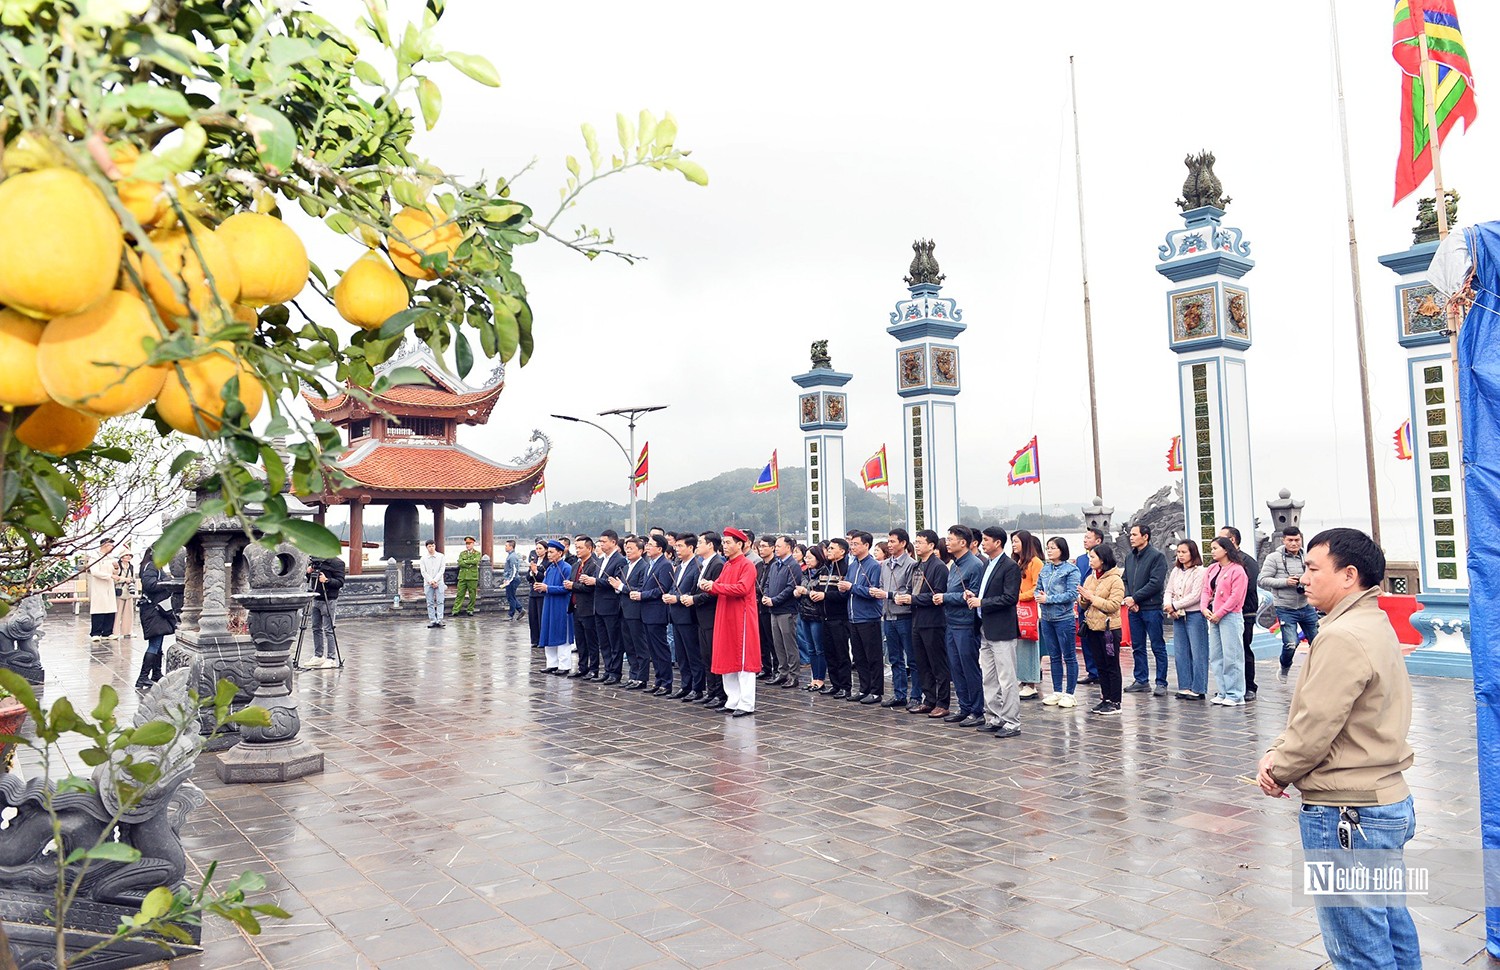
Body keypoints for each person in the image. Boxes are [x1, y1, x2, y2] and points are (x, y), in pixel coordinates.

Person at [1257, 528, 1418, 969]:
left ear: (1349, 575)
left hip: (1348, 809)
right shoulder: (1372, 621)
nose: (1303, 578)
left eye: (1312, 568)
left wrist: (1278, 767)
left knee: (1358, 947)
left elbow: (1315, 725)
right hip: (1384, 799)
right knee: (1389, 923)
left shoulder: (1342, 635)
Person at [968, 526, 1022, 738]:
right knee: (989, 677)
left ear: (998, 542)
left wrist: (982, 601)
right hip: (985, 627)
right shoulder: (986, 565)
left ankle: (1011, 721)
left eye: (986, 540)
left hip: (1001, 629)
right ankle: (995, 716)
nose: (983, 543)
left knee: (1006, 678)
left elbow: (1010, 598)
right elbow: (986, 592)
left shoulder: (1009, 566)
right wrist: (974, 596)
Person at [703, 527, 760, 717]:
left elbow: (742, 588)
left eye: (728, 542)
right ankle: (732, 700)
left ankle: (746, 703)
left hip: (740, 617)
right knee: (726, 657)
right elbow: (719, 586)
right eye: (724, 542)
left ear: (740, 544)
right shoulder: (728, 565)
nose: (724, 546)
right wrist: (708, 587)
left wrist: (715, 586)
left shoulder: (747, 565)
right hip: (725, 615)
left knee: (744, 662)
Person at [939, 526, 986, 726]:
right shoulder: (954, 564)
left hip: (966, 623)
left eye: (951, 539)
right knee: (956, 668)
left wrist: (946, 597)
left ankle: (977, 710)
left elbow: (973, 594)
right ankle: (964, 706)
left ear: (963, 542)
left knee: (969, 667)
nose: (947, 542)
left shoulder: (975, 565)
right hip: (951, 622)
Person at [1259, 526, 1320, 675]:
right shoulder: (1274, 557)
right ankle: (1285, 667)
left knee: (1318, 641)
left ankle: (1318, 671)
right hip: (1285, 607)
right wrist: (1286, 582)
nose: (1294, 543)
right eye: (1290, 540)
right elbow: (1262, 580)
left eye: (1297, 540)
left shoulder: (1307, 556)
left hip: (1306, 605)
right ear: (1283, 540)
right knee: (1291, 644)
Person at [904, 529, 950, 716]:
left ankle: (943, 703)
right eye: (916, 541)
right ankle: (928, 699)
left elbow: (937, 595)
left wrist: (912, 600)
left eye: (921, 542)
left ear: (931, 545)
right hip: (917, 620)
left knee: (938, 664)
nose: (917, 545)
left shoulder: (938, 567)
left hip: (933, 621)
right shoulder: (917, 566)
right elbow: (911, 589)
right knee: (922, 663)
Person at [1122, 523, 1170, 696]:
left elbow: (1155, 583)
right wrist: (1130, 600)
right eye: (1131, 535)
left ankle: (1161, 682)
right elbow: (1125, 580)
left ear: (1145, 536)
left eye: (1135, 534)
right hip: (1134, 609)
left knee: (1157, 645)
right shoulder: (1129, 557)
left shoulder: (1157, 557)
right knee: (1137, 646)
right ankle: (1141, 680)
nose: (1131, 537)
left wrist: (1135, 598)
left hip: (1151, 607)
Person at [1079, 544, 1124, 715]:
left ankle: (1115, 701)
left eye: (1093, 557)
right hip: (1092, 627)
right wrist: (1083, 598)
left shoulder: (1115, 579)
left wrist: (1092, 597)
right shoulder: (1091, 578)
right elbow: (1084, 603)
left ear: (1103, 559)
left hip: (1109, 629)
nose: (1090, 561)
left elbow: (1113, 605)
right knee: (1100, 665)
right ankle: (1105, 698)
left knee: (1112, 665)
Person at [1203, 536, 1249, 705]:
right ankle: (1222, 691)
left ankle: (1235, 694)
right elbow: (1205, 590)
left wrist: (1220, 613)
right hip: (1213, 615)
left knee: (1233, 656)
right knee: (1216, 655)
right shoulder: (1212, 568)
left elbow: (1235, 597)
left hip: (1230, 616)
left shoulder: (1237, 570)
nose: (1212, 551)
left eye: (1215, 548)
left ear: (1226, 549)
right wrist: (1204, 608)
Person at [841, 530, 885, 704]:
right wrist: (844, 589)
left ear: (866, 545)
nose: (852, 547)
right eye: (851, 544)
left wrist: (851, 587)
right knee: (859, 657)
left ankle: (876, 691)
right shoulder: (853, 565)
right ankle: (863, 688)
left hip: (869, 618)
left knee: (873, 656)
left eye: (855, 544)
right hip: (853, 617)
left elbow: (873, 592)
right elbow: (850, 589)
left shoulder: (873, 566)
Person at [1037, 537, 1080, 707]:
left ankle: (1070, 693)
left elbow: (1071, 594)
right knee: (1054, 656)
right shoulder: (1045, 569)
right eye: (1048, 547)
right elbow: (1037, 588)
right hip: (1046, 618)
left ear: (1062, 549)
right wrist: (1038, 596)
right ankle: (1056, 691)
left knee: (1069, 656)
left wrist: (1049, 599)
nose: (1049, 550)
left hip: (1064, 618)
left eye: (1053, 548)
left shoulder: (1071, 570)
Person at [1219, 526, 1262, 700]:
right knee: (1228, 652)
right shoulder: (1221, 563)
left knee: (1243, 649)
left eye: (1221, 539)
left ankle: (1249, 686)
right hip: (1224, 613)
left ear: (1232, 540)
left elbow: (1246, 589)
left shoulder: (1246, 562)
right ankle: (1231, 686)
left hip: (1244, 612)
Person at [686, 531, 727, 708]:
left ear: (710, 545)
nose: (697, 546)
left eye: (701, 542)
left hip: (711, 616)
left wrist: (694, 599)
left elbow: (714, 592)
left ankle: (720, 693)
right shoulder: (704, 564)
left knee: (714, 655)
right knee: (706, 656)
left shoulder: (717, 564)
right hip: (701, 616)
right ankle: (711, 691)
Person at [1164, 540, 1208, 701]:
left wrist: (1174, 605)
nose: (1181, 555)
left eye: (1184, 552)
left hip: (1194, 614)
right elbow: (1169, 590)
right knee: (1181, 652)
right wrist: (1168, 605)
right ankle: (1184, 686)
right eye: (1179, 552)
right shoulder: (1176, 571)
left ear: (1192, 553)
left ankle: (1198, 688)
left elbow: (1196, 595)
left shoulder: (1200, 572)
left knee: (1198, 652)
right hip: (1177, 615)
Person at [880, 529, 917, 709]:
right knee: (895, 658)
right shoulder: (885, 564)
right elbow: (881, 586)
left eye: (893, 541)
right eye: (888, 541)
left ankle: (916, 696)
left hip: (905, 616)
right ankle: (899, 694)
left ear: (903, 543)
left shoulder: (911, 565)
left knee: (912, 658)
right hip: (888, 616)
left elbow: (911, 591)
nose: (889, 544)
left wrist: (888, 594)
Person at [635, 534, 675, 695]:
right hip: (647, 612)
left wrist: (642, 595)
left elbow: (663, 589)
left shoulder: (664, 565)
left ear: (660, 548)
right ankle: (659, 680)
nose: (647, 547)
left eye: (651, 545)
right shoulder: (650, 564)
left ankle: (666, 683)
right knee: (653, 649)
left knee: (661, 649)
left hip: (657, 612)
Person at [665, 535, 702, 700]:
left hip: (689, 616)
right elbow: (674, 587)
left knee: (693, 653)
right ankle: (685, 685)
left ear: (691, 548)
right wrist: (670, 596)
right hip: (676, 615)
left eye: (680, 546)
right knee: (681, 655)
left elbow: (695, 593)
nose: (677, 549)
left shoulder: (697, 566)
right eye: (676, 546)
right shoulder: (679, 567)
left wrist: (677, 599)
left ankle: (698, 687)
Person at [134, 546, 176, 689]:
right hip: (152, 610)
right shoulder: (150, 566)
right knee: (154, 644)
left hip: (155, 609)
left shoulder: (153, 566)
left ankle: (156, 674)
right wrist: (167, 583)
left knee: (158, 642)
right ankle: (143, 678)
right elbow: (149, 584)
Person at [591, 530, 629, 685]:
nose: (601, 544)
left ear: (613, 542)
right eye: (599, 541)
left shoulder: (620, 560)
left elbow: (614, 582)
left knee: (614, 641)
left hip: (611, 605)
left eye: (604, 541)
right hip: (598, 605)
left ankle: (615, 671)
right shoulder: (600, 560)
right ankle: (607, 669)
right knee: (604, 641)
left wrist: (595, 581)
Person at [763, 535, 801, 688]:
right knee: (778, 644)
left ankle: (793, 675)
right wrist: (766, 596)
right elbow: (767, 582)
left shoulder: (793, 565)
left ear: (788, 547)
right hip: (773, 610)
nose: (776, 548)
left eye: (779, 546)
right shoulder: (775, 565)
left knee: (789, 644)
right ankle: (782, 672)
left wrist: (775, 600)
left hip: (786, 610)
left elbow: (790, 588)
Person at [818, 538, 854, 699]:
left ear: (842, 551)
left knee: (841, 653)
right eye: (828, 548)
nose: (829, 551)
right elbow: (820, 587)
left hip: (840, 617)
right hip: (825, 616)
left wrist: (824, 595)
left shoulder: (846, 569)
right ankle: (835, 684)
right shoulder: (826, 568)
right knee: (829, 652)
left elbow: (844, 594)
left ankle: (845, 686)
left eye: (832, 548)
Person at [1011, 530, 1043, 700]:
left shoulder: (1035, 563)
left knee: (1029, 646)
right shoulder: (1018, 562)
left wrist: (1018, 597)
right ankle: (1022, 679)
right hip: (1017, 609)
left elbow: (1037, 588)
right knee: (1019, 647)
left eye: (1016, 541)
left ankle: (1031, 683)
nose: (1013, 545)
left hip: (1029, 609)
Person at [535, 539, 574, 673]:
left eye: (552, 552)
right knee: (548, 631)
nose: (549, 555)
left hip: (561, 604)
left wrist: (548, 588)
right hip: (549, 603)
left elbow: (567, 588)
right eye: (549, 552)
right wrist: (540, 587)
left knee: (562, 633)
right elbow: (546, 585)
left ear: (560, 553)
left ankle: (564, 665)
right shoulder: (550, 568)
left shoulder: (566, 568)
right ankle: (552, 663)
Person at [795, 546, 829, 692]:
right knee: (810, 649)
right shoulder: (805, 573)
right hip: (804, 613)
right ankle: (814, 679)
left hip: (817, 614)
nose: (807, 560)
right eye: (806, 558)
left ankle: (820, 679)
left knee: (819, 648)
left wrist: (806, 592)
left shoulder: (825, 572)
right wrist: (797, 593)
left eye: (810, 557)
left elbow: (821, 593)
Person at [619, 536, 651, 689]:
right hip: (624, 610)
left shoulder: (644, 567)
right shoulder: (626, 567)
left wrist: (621, 587)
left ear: (641, 550)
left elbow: (641, 589)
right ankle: (633, 674)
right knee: (629, 645)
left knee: (640, 645)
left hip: (636, 611)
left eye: (631, 548)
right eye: (626, 548)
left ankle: (642, 677)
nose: (628, 551)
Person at [566, 536, 600, 679]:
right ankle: (582, 667)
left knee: (591, 640)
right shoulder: (576, 565)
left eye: (580, 547)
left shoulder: (594, 565)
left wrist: (573, 586)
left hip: (588, 607)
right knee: (580, 640)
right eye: (576, 547)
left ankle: (594, 668)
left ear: (590, 548)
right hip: (575, 606)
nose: (577, 550)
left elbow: (590, 587)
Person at [1075, 528, 1105, 685]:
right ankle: (1091, 671)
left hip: (1098, 603)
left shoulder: (1105, 558)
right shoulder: (1080, 559)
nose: (1085, 540)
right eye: (1084, 537)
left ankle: (1102, 671)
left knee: (1101, 640)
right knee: (1085, 638)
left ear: (1098, 541)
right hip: (1083, 604)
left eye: (1088, 537)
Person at [305, 554, 345, 668]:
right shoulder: (316, 562)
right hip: (316, 597)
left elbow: (340, 582)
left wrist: (327, 580)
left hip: (329, 599)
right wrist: (308, 572)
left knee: (329, 629)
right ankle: (318, 656)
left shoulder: (337, 563)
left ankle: (331, 658)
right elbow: (309, 579)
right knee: (315, 628)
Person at [87, 538, 117, 641]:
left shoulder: (110, 558)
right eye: (111, 545)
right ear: (104, 545)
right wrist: (110, 576)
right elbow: (95, 572)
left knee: (110, 608)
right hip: (99, 587)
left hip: (109, 586)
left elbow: (115, 573)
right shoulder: (95, 557)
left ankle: (108, 632)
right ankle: (95, 632)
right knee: (99, 609)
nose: (112, 548)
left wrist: (116, 569)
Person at [754, 538, 776, 679]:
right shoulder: (759, 565)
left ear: (772, 548)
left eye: (764, 546)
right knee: (762, 639)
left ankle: (777, 669)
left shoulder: (775, 565)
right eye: (760, 547)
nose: (761, 549)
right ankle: (765, 667)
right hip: (758, 605)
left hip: (770, 606)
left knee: (773, 640)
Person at [419, 540, 446, 628]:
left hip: (439, 582)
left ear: (435, 546)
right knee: (429, 602)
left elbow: (442, 570)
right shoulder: (423, 559)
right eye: (429, 546)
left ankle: (440, 619)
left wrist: (435, 580)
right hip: (428, 583)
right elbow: (423, 571)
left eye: (432, 546)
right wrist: (431, 581)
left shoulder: (441, 557)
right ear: (426, 547)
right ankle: (432, 620)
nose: (431, 548)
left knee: (440, 601)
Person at [453, 536, 481, 616]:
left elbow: (475, 562)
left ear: (473, 544)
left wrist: (465, 562)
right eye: (466, 544)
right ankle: (455, 610)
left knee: (472, 594)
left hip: (472, 577)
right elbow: (460, 563)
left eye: (469, 544)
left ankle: (470, 610)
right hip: (462, 576)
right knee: (460, 594)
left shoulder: (477, 553)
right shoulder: (462, 553)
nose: (467, 545)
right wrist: (469, 563)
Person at [113, 551, 137, 639]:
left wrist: (131, 581)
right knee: (117, 612)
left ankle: (127, 631)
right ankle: (115, 632)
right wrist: (125, 579)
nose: (128, 557)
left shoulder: (131, 567)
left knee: (129, 612)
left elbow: (133, 578)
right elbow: (115, 578)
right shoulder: (117, 567)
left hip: (128, 591)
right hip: (120, 591)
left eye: (129, 555)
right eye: (126, 555)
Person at [527, 540, 547, 646]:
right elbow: (528, 577)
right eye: (537, 549)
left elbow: (544, 577)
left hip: (542, 593)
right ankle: (534, 639)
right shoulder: (534, 561)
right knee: (532, 617)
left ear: (546, 550)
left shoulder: (547, 562)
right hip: (533, 592)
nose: (538, 551)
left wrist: (536, 572)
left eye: (540, 548)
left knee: (541, 616)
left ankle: (542, 639)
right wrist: (531, 572)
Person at [502, 539, 525, 620]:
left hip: (513, 580)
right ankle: (520, 609)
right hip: (511, 579)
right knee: (511, 596)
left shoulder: (512, 556)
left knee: (510, 597)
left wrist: (509, 580)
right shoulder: (511, 555)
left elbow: (514, 570)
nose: (505, 547)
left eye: (506, 546)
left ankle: (511, 615)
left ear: (511, 547)